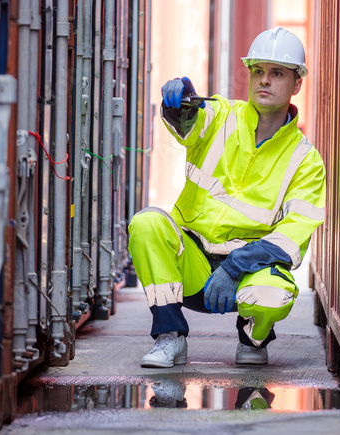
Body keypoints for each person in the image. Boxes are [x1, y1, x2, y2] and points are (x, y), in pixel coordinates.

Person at [128, 27, 326, 367]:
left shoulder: (306, 161)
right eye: (258, 71)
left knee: (274, 293)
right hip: (192, 261)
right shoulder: (221, 115)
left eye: (277, 73)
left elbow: (292, 236)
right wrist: (178, 100)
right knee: (146, 223)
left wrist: (234, 267)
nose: (264, 80)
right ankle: (170, 337)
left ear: (296, 85)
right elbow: (188, 121)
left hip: (248, 272)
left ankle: (253, 338)